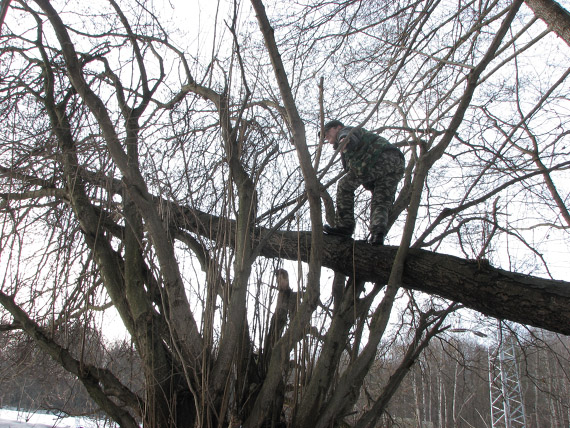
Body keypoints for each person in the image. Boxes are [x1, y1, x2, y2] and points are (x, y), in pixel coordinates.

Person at [322, 119, 405, 245]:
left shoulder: (346, 131)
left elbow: (348, 135)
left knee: (344, 186)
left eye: (327, 131)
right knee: (380, 199)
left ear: (338, 127)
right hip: (396, 162)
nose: (325, 136)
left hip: (377, 158)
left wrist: (344, 140)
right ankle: (378, 234)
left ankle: (344, 227)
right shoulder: (347, 150)